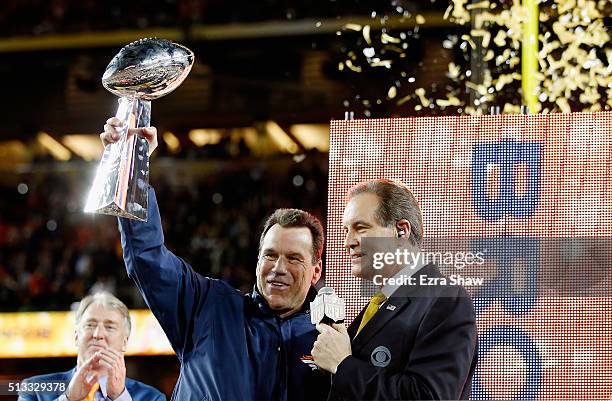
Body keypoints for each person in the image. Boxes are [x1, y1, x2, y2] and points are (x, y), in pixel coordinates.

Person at [99, 119, 330, 401]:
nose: (278, 268)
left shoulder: (331, 340)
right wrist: (132, 168)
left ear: (315, 270)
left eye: (294, 258)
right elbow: (147, 257)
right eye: (270, 255)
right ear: (258, 261)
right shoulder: (207, 307)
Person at [311, 179, 478, 400]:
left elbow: (428, 396)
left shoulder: (445, 300)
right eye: (346, 231)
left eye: (360, 228)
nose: (347, 242)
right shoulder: (383, 302)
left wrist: (343, 365)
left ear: (401, 230)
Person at [18, 292, 165, 401]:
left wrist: (120, 398)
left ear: (125, 342)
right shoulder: (34, 389)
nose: (98, 334)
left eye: (110, 327)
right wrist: (68, 399)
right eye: (90, 325)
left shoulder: (152, 397)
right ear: (76, 336)